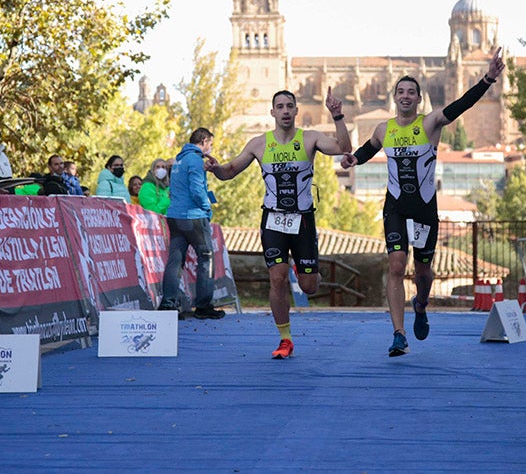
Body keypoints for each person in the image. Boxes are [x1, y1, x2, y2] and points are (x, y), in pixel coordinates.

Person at [341, 47, 505, 357]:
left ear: (419, 98)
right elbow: (369, 147)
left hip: (424, 209)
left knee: (423, 272)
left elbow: (461, 105)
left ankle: (421, 303)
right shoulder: (383, 129)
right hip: (395, 207)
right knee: (395, 266)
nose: (405, 96)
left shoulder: (430, 123)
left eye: (411, 92)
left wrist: (487, 79)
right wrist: (355, 159)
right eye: (400, 92)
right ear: (394, 97)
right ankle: (398, 334)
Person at [208, 87, 351, 359]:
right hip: (273, 219)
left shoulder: (309, 138)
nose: (285, 111)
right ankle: (285, 339)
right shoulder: (258, 144)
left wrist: (337, 116)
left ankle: (307, 269)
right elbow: (230, 171)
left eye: (289, 106)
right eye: (280, 107)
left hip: (303, 220)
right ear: (272, 112)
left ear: (296, 111)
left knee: (309, 286)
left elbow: (344, 148)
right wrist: (216, 169)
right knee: (277, 278)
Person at [161, 128, 225, 320]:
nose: (210, 147)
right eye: (210, 144)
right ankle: (203, 306)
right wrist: (207, 208)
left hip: (175, 216)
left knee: (175, 261)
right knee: (206, 258)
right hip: (194, 216)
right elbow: (197, 190)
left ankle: (168, 305)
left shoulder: (179, 160)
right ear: (204, 141)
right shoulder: (195, 160)